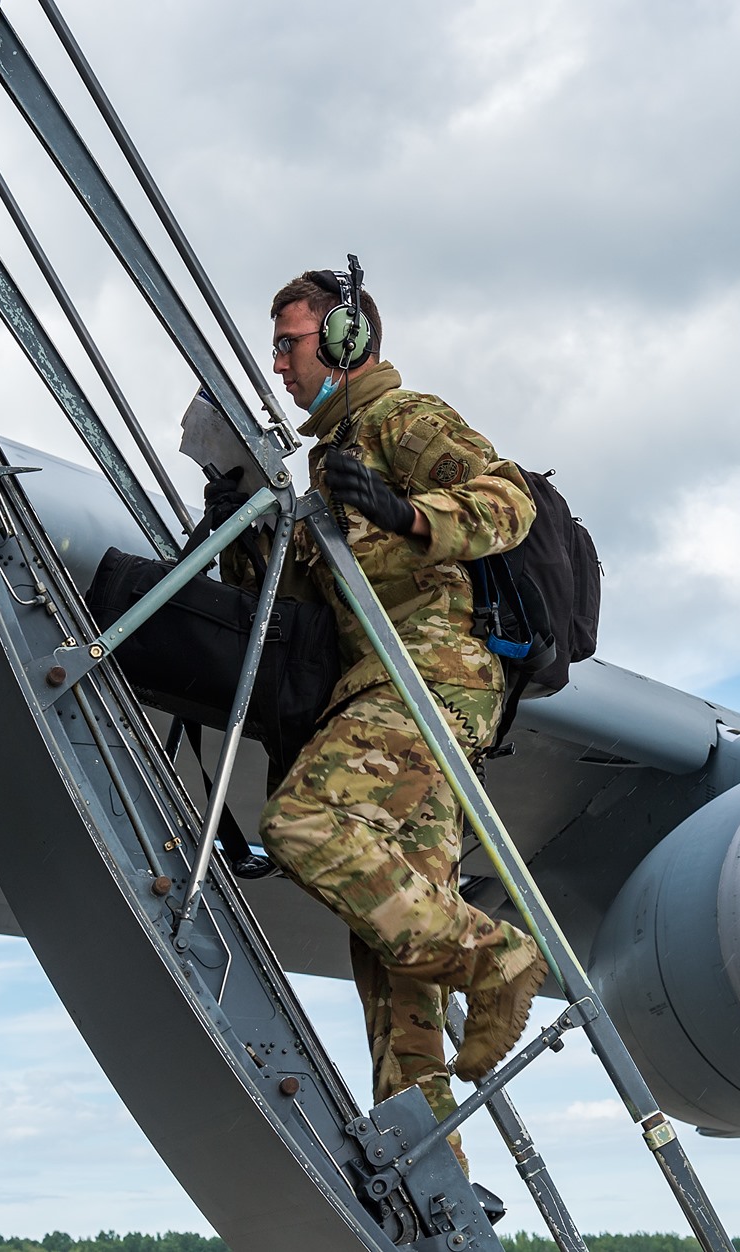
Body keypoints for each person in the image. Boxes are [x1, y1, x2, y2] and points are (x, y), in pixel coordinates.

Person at [204, 270, 548, 1175]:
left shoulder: (401, 420)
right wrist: (229, 506)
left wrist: (404, 511)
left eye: (291, 341)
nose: (278, 362)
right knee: (392, 955)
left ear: (347, 338)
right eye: (276, 346)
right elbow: (279, 601)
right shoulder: (327, 464)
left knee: (304, 823)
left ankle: (497, 960)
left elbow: (509, 501)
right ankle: (434, 1168)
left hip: (429, 673)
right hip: (387, 685)